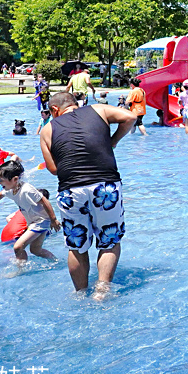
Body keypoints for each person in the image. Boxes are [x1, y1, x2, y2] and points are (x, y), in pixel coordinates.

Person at [39, 91, 137, 298]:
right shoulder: (98, 109)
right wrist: (113, 141)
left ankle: (80, 293)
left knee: (76, 246)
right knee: (109, 241)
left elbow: (53, 169)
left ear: (55, 109)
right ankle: (102, 291)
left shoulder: (47, 129)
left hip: (70, 191)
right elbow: (130, 117)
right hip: (105, 187)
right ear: (75, 103)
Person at [0, 160, 61, 262]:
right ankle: (56, 261)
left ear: (15, 179)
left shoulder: (27, 190)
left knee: (18, 247)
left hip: (40, 221)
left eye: (2, 180)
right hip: (33, 222)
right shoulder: (11, 189)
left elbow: (45, 201)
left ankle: (21, 268)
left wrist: (53, 220)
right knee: (35, 250)